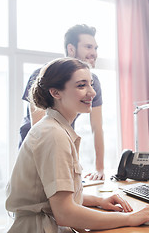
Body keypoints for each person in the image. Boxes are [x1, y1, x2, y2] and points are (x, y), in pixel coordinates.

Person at [6, 58, 149, 232]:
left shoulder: (56, 128)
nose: (92, 92)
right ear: (56, 93)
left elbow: (61, 197)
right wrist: (129, 217)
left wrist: (99, 200)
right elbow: (65, 213)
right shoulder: (53, 134)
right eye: (81, 85)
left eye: (91, 84)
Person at [19, 24, 105, 180]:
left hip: (63, 141)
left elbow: (97, 127)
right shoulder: (42, 75)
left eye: (96, 48)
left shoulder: (93, 82)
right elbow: (40, 129)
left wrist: (99, 169)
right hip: (39, 145)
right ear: (71, 49)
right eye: (88, 47)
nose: (94, 53)